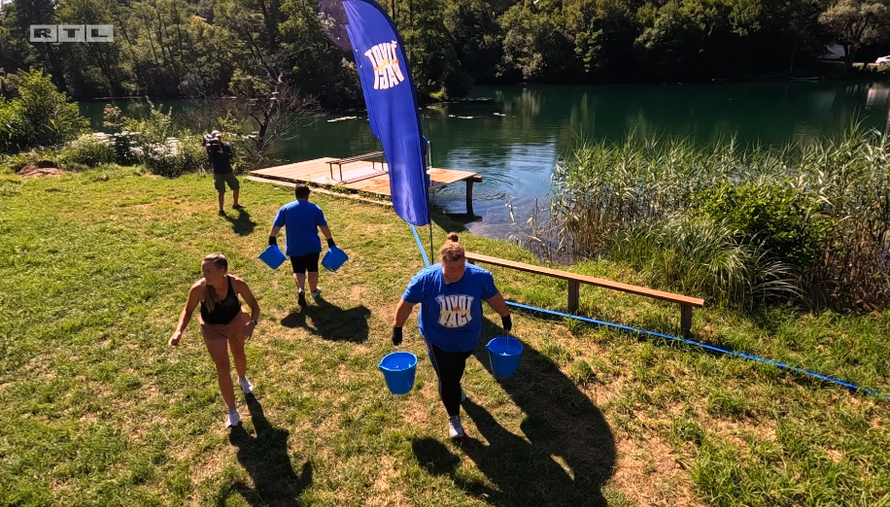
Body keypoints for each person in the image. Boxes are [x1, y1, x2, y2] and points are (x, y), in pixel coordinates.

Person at [392, 233, 513, 439]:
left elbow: (494, 297)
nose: (456, 273)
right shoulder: (425, 280)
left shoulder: (480, 277)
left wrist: (505, 315)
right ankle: (454, 419)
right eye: (451, 269)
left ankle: (454, 387)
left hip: (468, 338)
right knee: (447, 379)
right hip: (438, 338)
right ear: (442, 263)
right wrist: (397, 326)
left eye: (460, 267)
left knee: (455, 370)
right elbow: (406, 304)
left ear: (465, 261)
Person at [169, 253, 260, 428]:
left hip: (234, 322)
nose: (205, 274)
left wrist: (252, 323)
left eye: (209, 270)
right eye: (203, 270)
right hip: (211, 328)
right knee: (222, 366)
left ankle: (242, 378)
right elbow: (187, 311)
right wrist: (178, 331)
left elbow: (254, 306)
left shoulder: (236, 283)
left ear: (223, 270)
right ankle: (232, 411)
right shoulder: (199, 288)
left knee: (238, 353)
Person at [268, 184, 336, 308]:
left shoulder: (286, 208)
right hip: (312, 245)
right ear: (308, 195)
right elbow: (323, 226)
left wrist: (272, 238)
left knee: (298, 270)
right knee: (313, 269)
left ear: (295, 194)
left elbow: (276, 226)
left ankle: (301, 289)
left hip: (294, 246)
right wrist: (330, 240)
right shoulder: (315, 208)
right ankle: (314, 291)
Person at [205, 130, 242, 216]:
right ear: (213, 138)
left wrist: (223, 153)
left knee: (236, 186)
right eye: (217, 137)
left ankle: (235, 204)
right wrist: (209, 150)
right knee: (221, 191)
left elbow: (230, 156)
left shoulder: (226, 146)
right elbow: (210, 161)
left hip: (228, 171)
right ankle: (221, 210)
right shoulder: (211, 148)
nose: (219, 138)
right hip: (218, 173)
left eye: (220, 137)